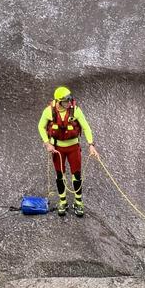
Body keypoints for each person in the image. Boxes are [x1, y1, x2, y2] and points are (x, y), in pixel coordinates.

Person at [38, 85, 98, 217]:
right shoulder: (49, 111)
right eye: (66, 101)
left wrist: (91, 144)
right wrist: (47, 143)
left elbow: (86, 127)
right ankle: (63, 201)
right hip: (57, 149)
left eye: (69, 100)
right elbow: (41, 126)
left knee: (76, 175)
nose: (69, 103)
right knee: (60, 175)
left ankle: (78, 202)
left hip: (73, 148)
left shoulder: (75, 110)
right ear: (58, 101)